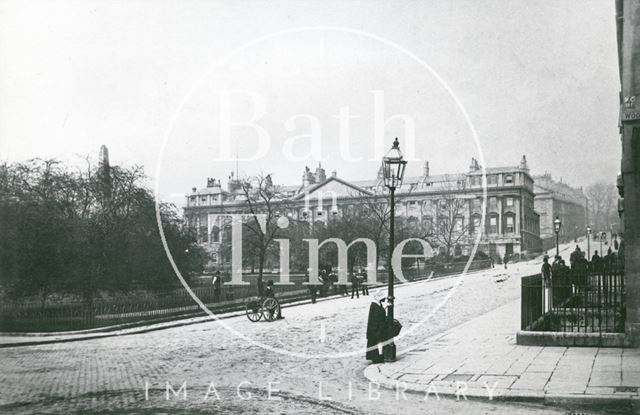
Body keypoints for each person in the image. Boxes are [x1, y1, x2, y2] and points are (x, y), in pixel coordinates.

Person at [366, 291, 387, 363]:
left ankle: (377, 356)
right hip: (374, 328)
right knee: (375, 341)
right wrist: (384, 308)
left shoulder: (377, 304)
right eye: (383, 298)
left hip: (376, 327)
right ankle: (375, 358)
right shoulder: (374, 305)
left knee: (377, 342)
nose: (385, 299)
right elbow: (378, 316)